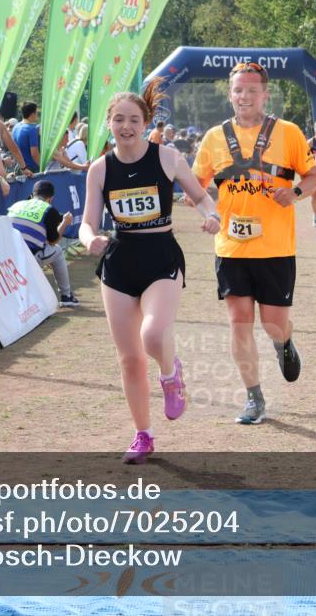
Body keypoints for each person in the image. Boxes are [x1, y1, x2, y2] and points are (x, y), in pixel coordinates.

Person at [79, 80, 221, 464]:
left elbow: (202, 197)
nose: (126, 126)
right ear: (108, 123)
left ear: (145, 123)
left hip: (161, 256)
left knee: (154, 333)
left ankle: (171, 373)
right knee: (129, 358)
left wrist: (212, 216)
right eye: (119, 119)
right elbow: (87, 222)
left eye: (134, 120)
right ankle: (143, 435)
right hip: (120, 261)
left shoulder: (167, 157)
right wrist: (90, 237)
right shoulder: (99, 169)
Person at [192, 61, 316, 425]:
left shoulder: (289, 132)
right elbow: (196, 185)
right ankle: (254, 397)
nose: (244, 96)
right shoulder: (214, 138)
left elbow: (313, 177)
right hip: (231, 246)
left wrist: (293, 192)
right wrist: (202, 208)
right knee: (239, 320)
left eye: (252, 90)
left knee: (274, 324)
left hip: (276, 248)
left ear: (265, 94)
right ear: (230, 95)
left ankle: (284, 345)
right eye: (238, 90)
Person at [8, 180, 79, 307]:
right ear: (51, 199)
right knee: (57, 251)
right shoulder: (48, 209)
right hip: (27, 258)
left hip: (6, 258)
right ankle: (66, 296)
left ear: (32, 194)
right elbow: (53, 241)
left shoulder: (16, 205)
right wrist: (64, 224)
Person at [11, 102, 41, 174]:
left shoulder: (15, 127)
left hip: (19, 168)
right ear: (33, 114)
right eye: (36, 113)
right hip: (31, 170)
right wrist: (42, 167)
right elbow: (34, 154)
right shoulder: (33, 129)